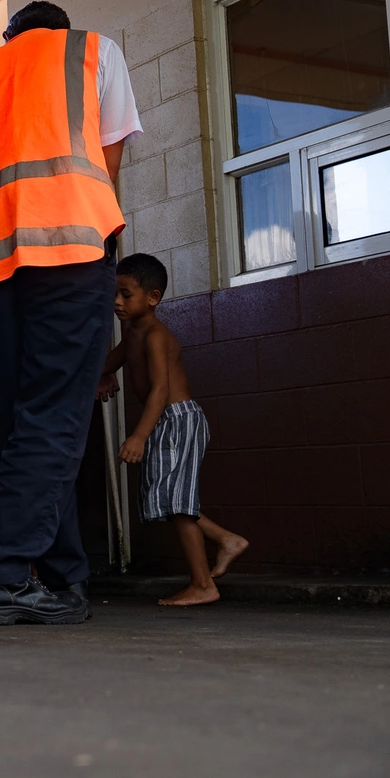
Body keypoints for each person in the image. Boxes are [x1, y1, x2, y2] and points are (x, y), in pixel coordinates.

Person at [0, 0, 139, 625]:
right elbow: (109, 163)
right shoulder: (91, 53)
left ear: (9, 37)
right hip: (70, 256)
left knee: (20, 426)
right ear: (58, 31)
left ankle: (63, 579)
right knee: (55, 423)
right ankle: (1, 577)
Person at [99, 253, 249, 606]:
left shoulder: (154, 334)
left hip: (177, 420)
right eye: (114, 294)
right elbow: (113, 360)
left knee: (177, 503)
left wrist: (138, 435)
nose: (117, 302)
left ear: (152, 298)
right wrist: (100, 373)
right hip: (165, 423)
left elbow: (161, 391)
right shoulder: (132, 331)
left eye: (126, 294)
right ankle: (227, 540)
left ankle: (202, 584)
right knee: (164, 500)